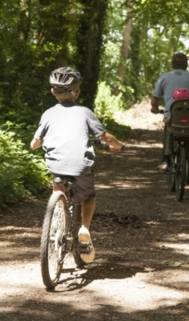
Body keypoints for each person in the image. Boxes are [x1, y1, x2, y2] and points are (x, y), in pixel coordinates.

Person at [30, 67, 123, 264]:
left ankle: (58, 214)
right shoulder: (84, 112)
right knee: (88, 196)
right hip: (80, 166)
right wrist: (117, 145)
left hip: (56, 165)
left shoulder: (48, 113)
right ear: (77, 92)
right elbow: (105, 137)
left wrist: (43, 141)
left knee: (59, 185)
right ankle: (84, 229)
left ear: (53, 92)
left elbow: (34, 144)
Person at [150, 52, 189, 183]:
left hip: (172, 118)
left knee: (168, 129)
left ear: (172, 64)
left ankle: (165, 162)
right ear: (186, 65)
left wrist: (154, 108)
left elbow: (155, 101)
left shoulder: (163, 78)